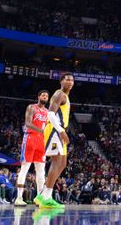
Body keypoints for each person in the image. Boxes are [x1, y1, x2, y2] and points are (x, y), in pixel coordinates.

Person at [35, 74, 74, 208]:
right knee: (56, 162)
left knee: (62, 164)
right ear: (61, 81)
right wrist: (61, 131)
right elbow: (50, 114)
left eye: (72, 80)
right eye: (67, 79)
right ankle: (46, 197)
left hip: (59, 129)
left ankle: (43, 195)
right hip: (54, 129)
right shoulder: (59, 94)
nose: (70, 81)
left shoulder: (66, 97)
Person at [16, 90, 49, 206]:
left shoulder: (47, 112)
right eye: (43, 95)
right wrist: (42, 131)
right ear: (38, 96)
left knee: (41, 171)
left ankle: (39, 198)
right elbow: (28, 123)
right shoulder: (31, 107)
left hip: (42, 141)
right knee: (25, 168)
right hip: (30, 138)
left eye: (47, 96)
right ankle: (19, 198)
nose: (45, 97)